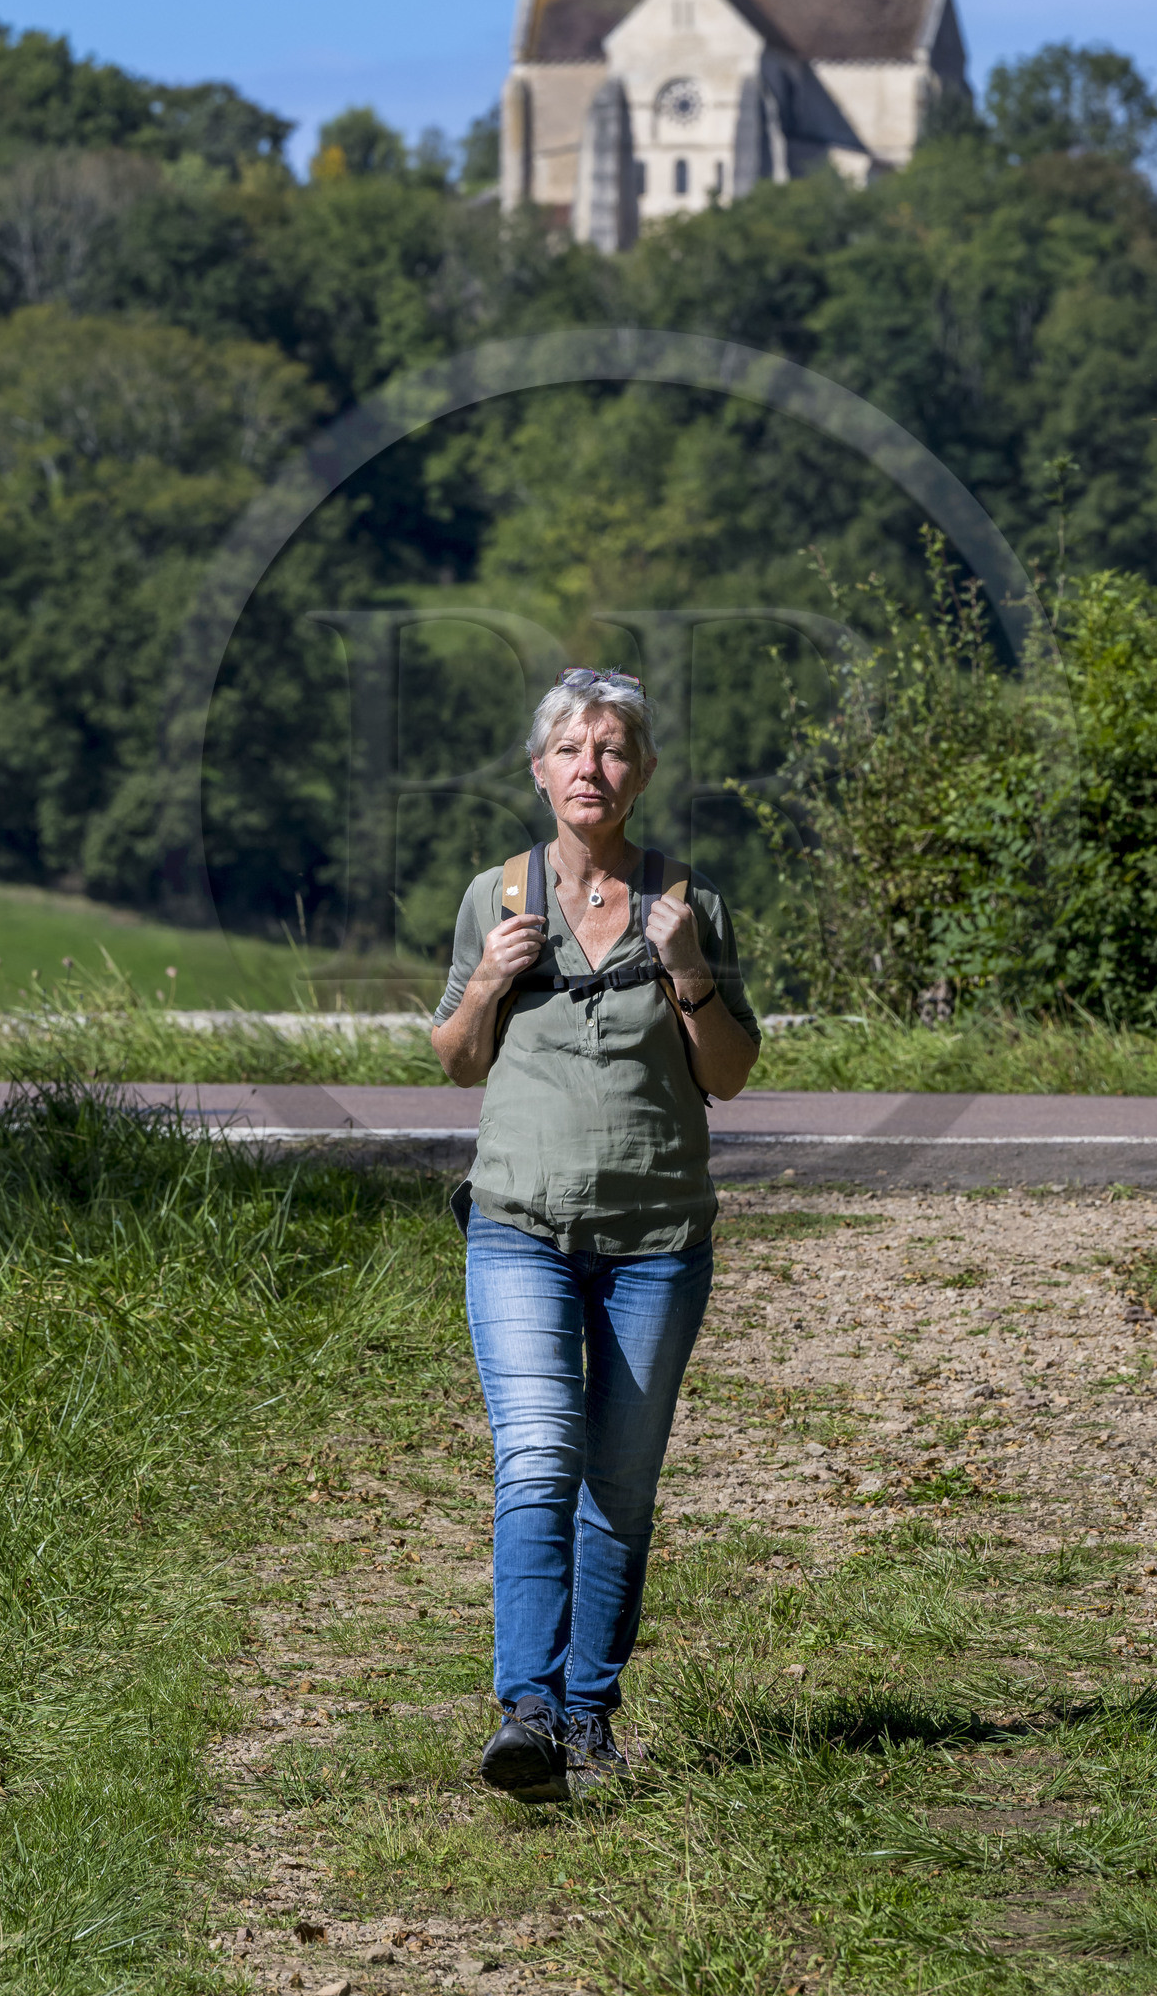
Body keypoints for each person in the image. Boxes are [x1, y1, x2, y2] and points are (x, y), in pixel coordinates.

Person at [432, 667, 760, 1800]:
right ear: (537, 770)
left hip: (657, 1237)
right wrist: (484, 982)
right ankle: (524, 1709)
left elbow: (726, 1075)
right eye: (571, 750)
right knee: (537, 1458)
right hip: (518, 1224)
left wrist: (688, 974)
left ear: (644, 772)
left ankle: (587, 1719)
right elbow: (456, 1056)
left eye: (613, 750)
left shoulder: (689, 902)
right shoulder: (496, 896)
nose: (591, 769)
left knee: (619, 1482)